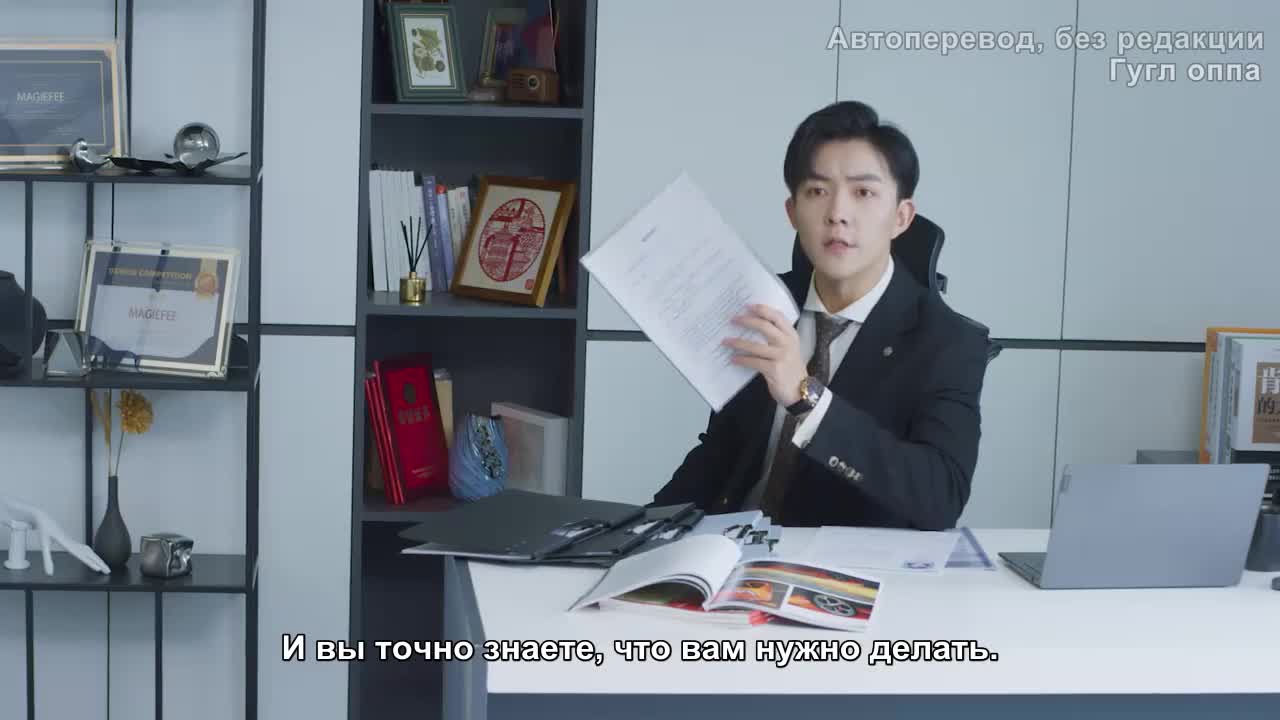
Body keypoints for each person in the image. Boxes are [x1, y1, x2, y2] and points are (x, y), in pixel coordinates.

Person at [651, 100, 990, 531]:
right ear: (792, 212)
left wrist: (805, 396)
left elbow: (939, 497)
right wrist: (640, 533)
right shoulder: (760, 305)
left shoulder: (949, 342)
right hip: (729, 550)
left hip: (844, 561)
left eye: (863, 193)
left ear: (901, 217)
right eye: (817, 191)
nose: (837, 214)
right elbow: (721, 453)